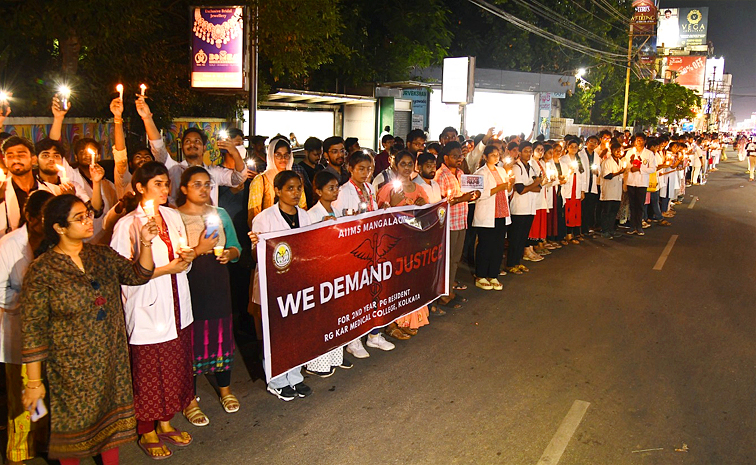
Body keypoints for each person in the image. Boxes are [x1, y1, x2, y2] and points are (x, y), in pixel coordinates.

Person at [21, 193, 157, 464]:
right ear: (59, 228)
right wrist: (34, 383)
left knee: (111, 428)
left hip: (110, 361)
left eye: (88, 214)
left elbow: (138, 275)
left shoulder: (101, 255)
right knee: (73, 431)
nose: (88, 220)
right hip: (71, 369)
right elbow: (33, 329)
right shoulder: (43, 270)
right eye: (79, 217)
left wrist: (145, 241)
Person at [110, 162, 196, 459]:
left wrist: (187, 258)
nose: (164, 189)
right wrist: (165, 269)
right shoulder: (127, 225)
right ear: (139, 188)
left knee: (173, 366)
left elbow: (183, 258)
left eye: (165, 183)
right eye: (157, 184)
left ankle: (165, 421)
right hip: (147, 307)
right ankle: (146, 429)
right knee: (149, 372)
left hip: (176, 304)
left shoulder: (172, 216)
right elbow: (122, 272)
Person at [177, 166, 243, 423]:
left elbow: (236, 247)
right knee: (192, 340)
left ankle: (225, 389)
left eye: (208, 184)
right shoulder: (174, 217)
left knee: (221, 335)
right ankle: (190, 400)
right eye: (197, 184)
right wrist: (198, 248)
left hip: (218, 282)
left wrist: (230, 254)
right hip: (190, 283)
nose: (204, 189)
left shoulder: (221, 214)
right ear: (184, 189)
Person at [0, 190, 54, 465]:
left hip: (50, 333)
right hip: (16, 330)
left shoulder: (55, 243)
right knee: (22, 395)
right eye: (43, 216)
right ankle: (18, 451)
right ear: (30, 217)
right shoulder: (9, 245)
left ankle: (43, 443)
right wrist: (34, 298)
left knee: (45, 390)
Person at [250, 171, 313, 401]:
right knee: (276, 334)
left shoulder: (305, 216)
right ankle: (276, 380)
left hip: (297, 283)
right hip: (273, 285)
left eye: (299, 188)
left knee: (296, 331)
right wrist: (259, 246)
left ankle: (295, 376)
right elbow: (256, 256)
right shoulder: (264, 218)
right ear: (277, 191)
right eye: (290, 188)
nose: (296, 193)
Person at [137, 97, 247, 206]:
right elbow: (158, 148)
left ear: (204, 148)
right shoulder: (174, 169)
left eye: (197, 141)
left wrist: (235, 153)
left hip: (207, 222)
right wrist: (147, 118)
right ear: (182, 147)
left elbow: (238, 179)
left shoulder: (214, 172)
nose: (192, 144)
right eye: (188, 141)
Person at [304, 170, 353, 377]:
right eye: (330, 188)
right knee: (322, 317)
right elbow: (306, 242)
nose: (335, 192)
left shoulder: (336, 210)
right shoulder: (310, 214)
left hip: (336, 266)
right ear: (318, 191)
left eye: (336, 187)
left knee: (336, 314)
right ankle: (317, 363)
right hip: (320, 269)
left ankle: (336, 355)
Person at [377, 150, 430, 337]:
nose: (407, 168)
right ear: (395, 166)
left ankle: (410, 319)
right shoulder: (387, 189)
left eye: (410, 164)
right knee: (395, 283)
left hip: (413, 242)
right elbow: (378, 220)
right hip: (394, 244)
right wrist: (392, 203)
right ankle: (394, 323)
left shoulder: (419, 189)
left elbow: (427, 219)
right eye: (403, 164)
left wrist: (424, 207)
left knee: (411, 281)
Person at [433, 142, 479, 311]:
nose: (459, 159)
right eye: (455, 156)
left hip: (461, 220)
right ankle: (442, 295)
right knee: (447, 259)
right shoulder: (441, 176)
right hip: (449, 224)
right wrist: (461, 199)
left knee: (455, 259)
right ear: (446, 157)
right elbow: (440, 202)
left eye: (460, 156)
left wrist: (473, 195)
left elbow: (469, 194)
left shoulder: (460, 173)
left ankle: (449, 290)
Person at [64, 138, 118, 243]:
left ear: (98, 156)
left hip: (104, 238)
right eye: (82, 152)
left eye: (91, 152)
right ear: (76, 157)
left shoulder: (108, 184)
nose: (87, 155)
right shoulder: (72, 176)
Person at [472, 145, 511, 290]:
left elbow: (507, 190)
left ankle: (493, 275)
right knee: (485, 245)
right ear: (485, 157)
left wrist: (509, 185)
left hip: (501, 212)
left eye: (497, 155)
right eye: (493, 155)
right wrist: (498, 188)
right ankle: (481, 275)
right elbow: (478, 194)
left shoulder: (501, 170)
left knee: (498, 246)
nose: (496, 157)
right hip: (487, 214)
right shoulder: (480, 173)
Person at [0, 136, 53, 238]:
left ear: (33, 159)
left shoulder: (52, 190)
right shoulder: (1, 191)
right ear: (5, 161)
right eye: (10, 156)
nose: (15, 160)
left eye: (21, 155)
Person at [507, 141, 542, 274]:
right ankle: (511, 263)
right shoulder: (517, 167)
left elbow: (538, 188)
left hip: (530, 207)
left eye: (530, 151)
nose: (528, 154)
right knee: (515, 238)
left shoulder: (531, 167)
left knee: (523, 237)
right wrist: (535, 183)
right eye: (525, 151)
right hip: (519, 208)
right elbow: (520, 189)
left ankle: (517, 262)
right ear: (520, 152)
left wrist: (533, 185)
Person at [110, 97, 154, 198]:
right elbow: (120, 154)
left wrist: (147, 117)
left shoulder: (158, 182)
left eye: (147, 157)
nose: (143, 159)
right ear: (130, 163)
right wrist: (117, 118)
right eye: (138, 157)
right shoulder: (125, 180)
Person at [624, 134, 656, 236]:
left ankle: (639, 226)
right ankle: (632, 226)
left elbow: (652, 168)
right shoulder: (629, 153)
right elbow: (625, 166)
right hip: (631, 181)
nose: (639, 142)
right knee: (632, 205)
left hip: (642, 182)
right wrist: (631, 165)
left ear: (645, 141)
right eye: (637, 140)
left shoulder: (649, 154)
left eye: (641, 140)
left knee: (640, 205)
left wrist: (640, 169)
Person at [559, 139, 585, 244]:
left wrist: (583, 190)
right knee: (567, 211)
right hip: (568, 187)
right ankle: (567, 234)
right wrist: (569, 171)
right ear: (567, 147)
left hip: (576, 188)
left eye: (575, 146)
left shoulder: (580, 159)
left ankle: (573, 232)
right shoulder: (563, 159)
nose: (573, 148)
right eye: (571, 146)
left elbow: (583, 176)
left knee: (575, 212)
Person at [599, 142, 626, 238]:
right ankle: (604, 230)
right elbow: (607, 176)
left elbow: (621, 177)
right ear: (612, 151)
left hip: (617, 191)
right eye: (617, 150)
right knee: (607, 211)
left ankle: (611, 229)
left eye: (620, 151)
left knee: (614, 211)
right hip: (608, 191)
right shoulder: (607, 162)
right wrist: (618, 172)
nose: (619, 152)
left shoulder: (621, 162)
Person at [578, 136, 600, 235]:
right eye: (591, 141)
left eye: (595, 143)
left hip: (592, 186)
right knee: (582, 209)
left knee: (589, 210)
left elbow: (599, 170)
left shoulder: (597, 156)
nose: (592, 144)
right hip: (583, 186)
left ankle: (586, 229)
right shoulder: (580, 154)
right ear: (586, 143)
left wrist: (597, 171)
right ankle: (580, 230)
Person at [293, 137, 322, 208]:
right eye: (315, 154)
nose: (318, 157)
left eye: (320, 154)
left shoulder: (321, 167)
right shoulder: (300, 169)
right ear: (306, 152)